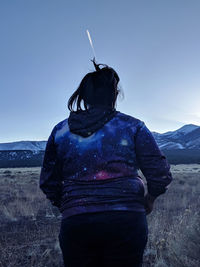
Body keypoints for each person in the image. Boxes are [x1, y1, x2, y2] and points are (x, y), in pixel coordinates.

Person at [39, 58, 173, 267]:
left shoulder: (60, 131)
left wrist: (69, 205)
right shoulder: (133, 126)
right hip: (126, 220)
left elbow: (48, 181)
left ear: (85, 96)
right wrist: (150, 199)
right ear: (115, 94)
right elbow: (160, 173)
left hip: (77, 223)